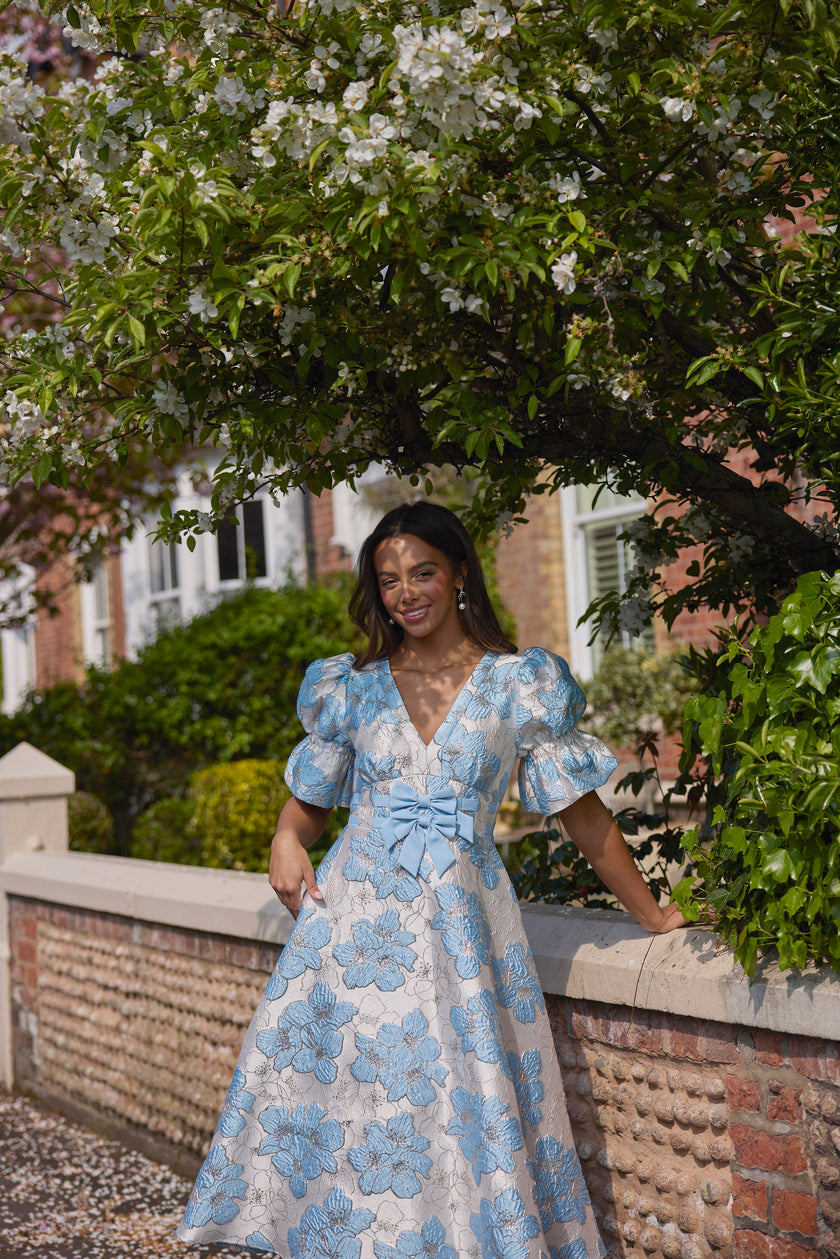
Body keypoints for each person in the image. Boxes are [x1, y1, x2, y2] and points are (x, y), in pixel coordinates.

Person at [177, 500, 687, 1259]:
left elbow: (582, 816)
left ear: (458, 576)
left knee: (457, 1101)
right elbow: (307, 808)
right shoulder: (350, 688)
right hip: (353, 931)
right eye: (388, 580)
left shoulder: (519, 684)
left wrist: (654, 916)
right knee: (354, 1104)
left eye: (421, 573)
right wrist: (285, 837)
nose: (406, 592)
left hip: (462, 928)